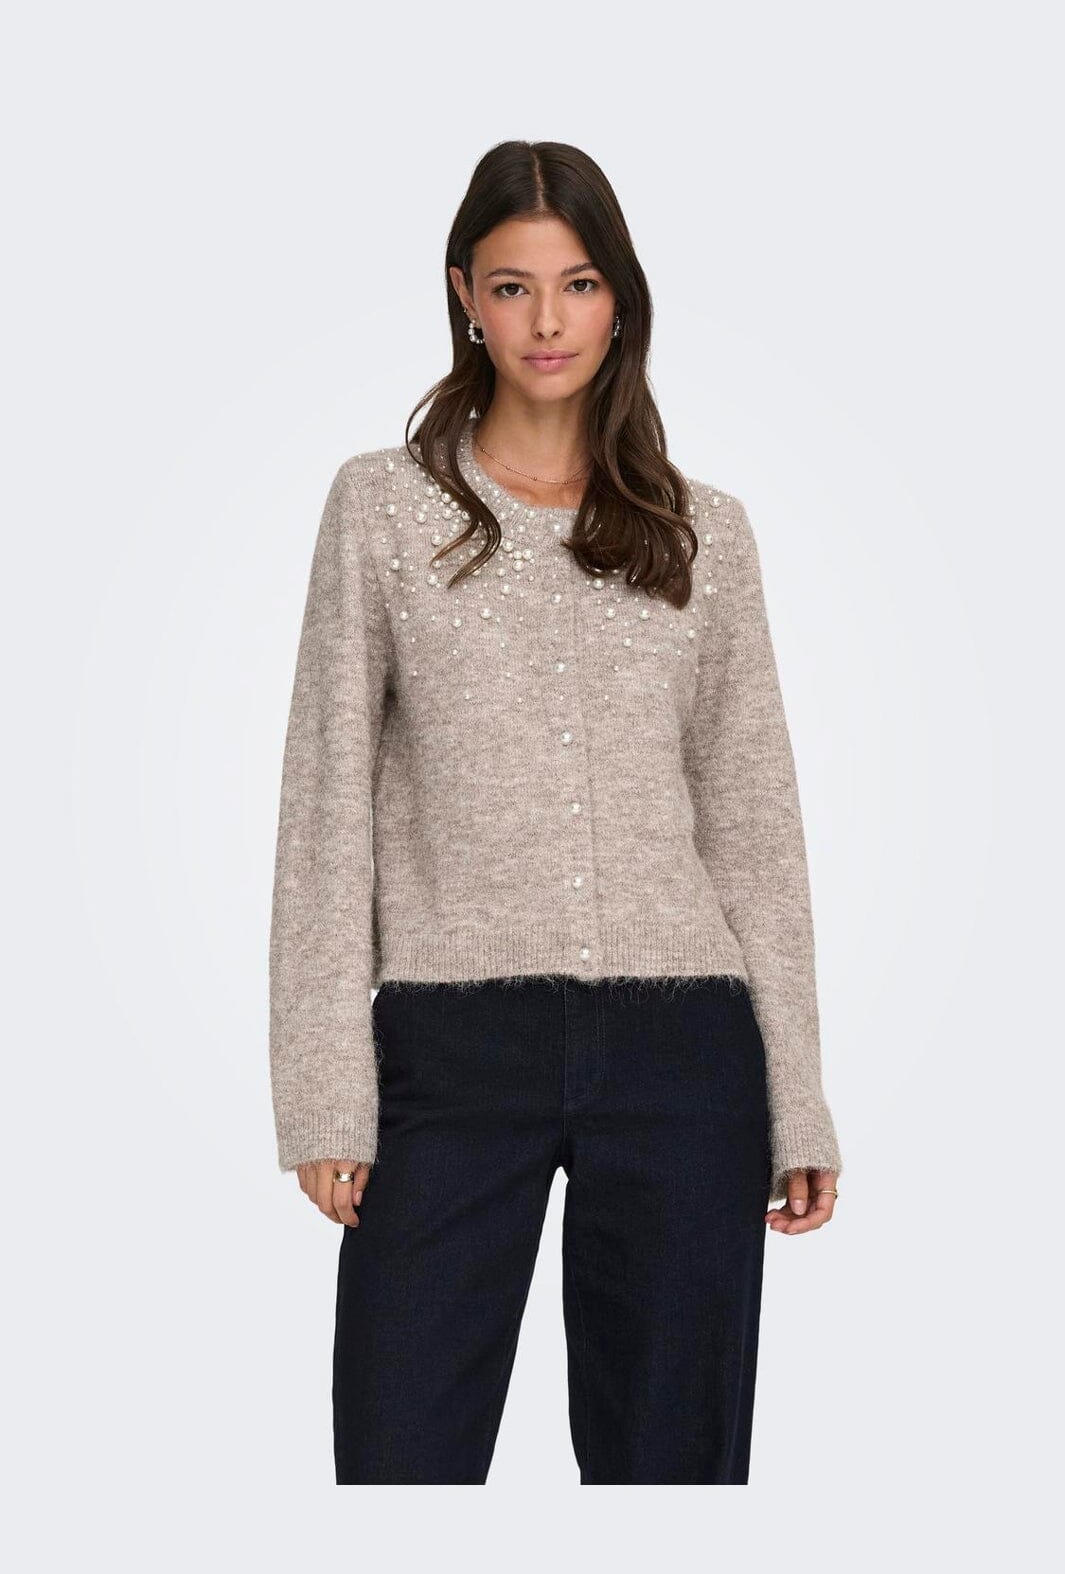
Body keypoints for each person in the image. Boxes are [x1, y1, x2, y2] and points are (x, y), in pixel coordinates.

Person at [268, 140, 843, 1485]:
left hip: (684, 1047)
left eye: (578, 284)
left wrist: (799, 1098)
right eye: (513, 285)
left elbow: (753, 822)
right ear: (464, 294)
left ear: (619, 300)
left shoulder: (702, 531)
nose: (546, 320)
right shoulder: (382, 509)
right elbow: (324, 803)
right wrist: (323, 1091)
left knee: (672, 1475)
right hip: (450, 1042)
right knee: (402, 1459)